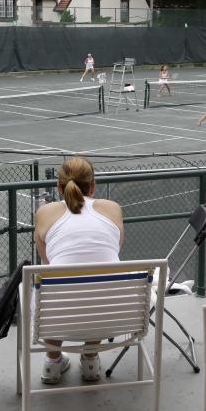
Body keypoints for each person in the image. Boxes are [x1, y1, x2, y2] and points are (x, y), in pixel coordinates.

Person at [34, 157, 124, 384]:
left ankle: (52, 362)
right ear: (93, 186)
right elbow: (114, 250)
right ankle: (91, 358)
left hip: (58, 314)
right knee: (100, 287)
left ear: (59, 187)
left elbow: (47, 259)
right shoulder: (113, 209)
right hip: (111, 313)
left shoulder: (45, 213)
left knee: (54, 291)